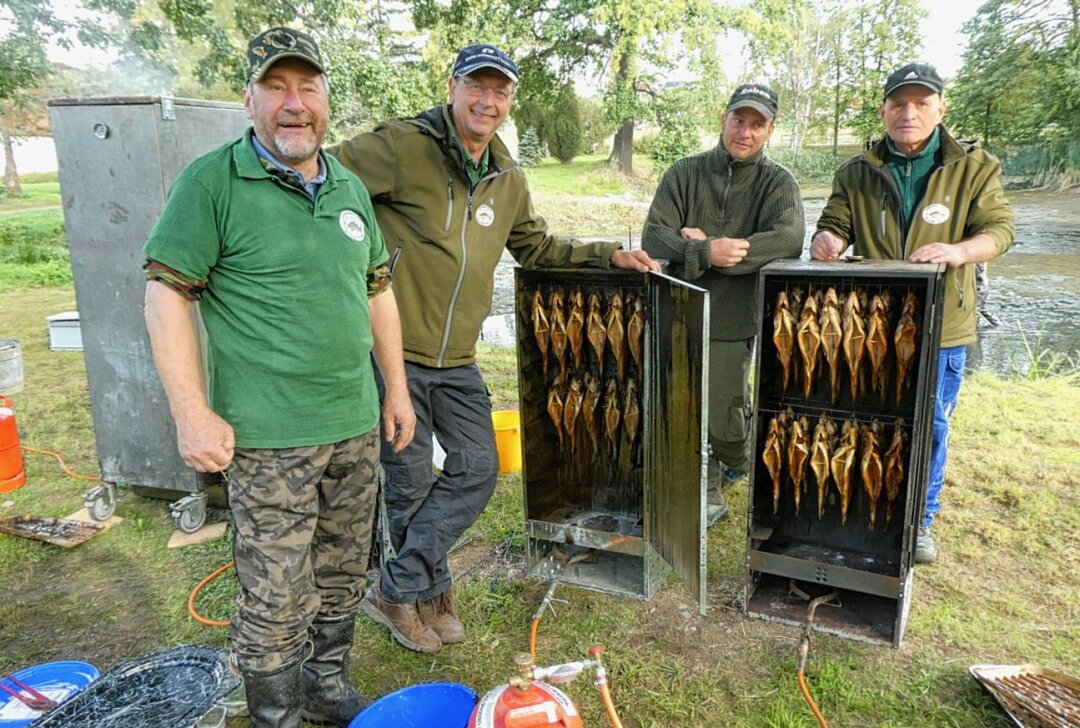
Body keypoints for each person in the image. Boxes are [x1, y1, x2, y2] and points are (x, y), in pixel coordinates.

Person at [330, 43, 660, 654]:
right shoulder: (402, 146)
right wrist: (351, 262)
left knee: (479, 469)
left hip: (456, 358)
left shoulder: (507, 177)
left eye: (500, 90)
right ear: (452, 87)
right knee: (406, 484)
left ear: (510, 101)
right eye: (476, 86)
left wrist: (605, 253)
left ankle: (395, 585)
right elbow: (325, 182)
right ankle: (427, 595)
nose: (487, 100)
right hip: (392, 353)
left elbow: (534, 246)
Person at [142, 27, 415, 728]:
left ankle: (325, 688)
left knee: (342, 572)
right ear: (249, 100)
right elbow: (168, 293)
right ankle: (276, 716)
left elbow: (377, 291)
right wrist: (190, 411)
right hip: (267, 440)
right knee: (274, 594)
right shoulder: (212, 183)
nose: (294, 104)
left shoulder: (349, 186)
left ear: (327, 98)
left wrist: (397, 388)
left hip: (353, 428)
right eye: (276, 87)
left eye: (308, 86)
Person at [810, 62, 1014, 564]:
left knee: (931, 424)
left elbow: (1000, 231)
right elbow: (835, 220)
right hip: (871, 325)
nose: (909, 113)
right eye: (899, 104)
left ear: (940, 109)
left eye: (921, 104)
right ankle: (863, 503)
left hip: (944, 323)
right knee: (870, 415)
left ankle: (919, 520)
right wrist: (828, 238)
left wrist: (959, 252)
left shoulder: (974, 167)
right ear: (884, 111)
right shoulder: (855, 172)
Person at [641, 82, 805, 526]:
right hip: (678, 313)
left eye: (757, 124)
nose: (745, 132)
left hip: (733, 320)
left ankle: (741, 459)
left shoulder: (778, 182)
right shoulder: (684, 173)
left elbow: (789, 239)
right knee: (681, 411)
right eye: (739, 120)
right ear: (723, 119)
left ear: (769, 130)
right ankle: (706, 493)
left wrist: (716, 251)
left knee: (724, 421)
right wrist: (703, 253)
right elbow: (654, 236)